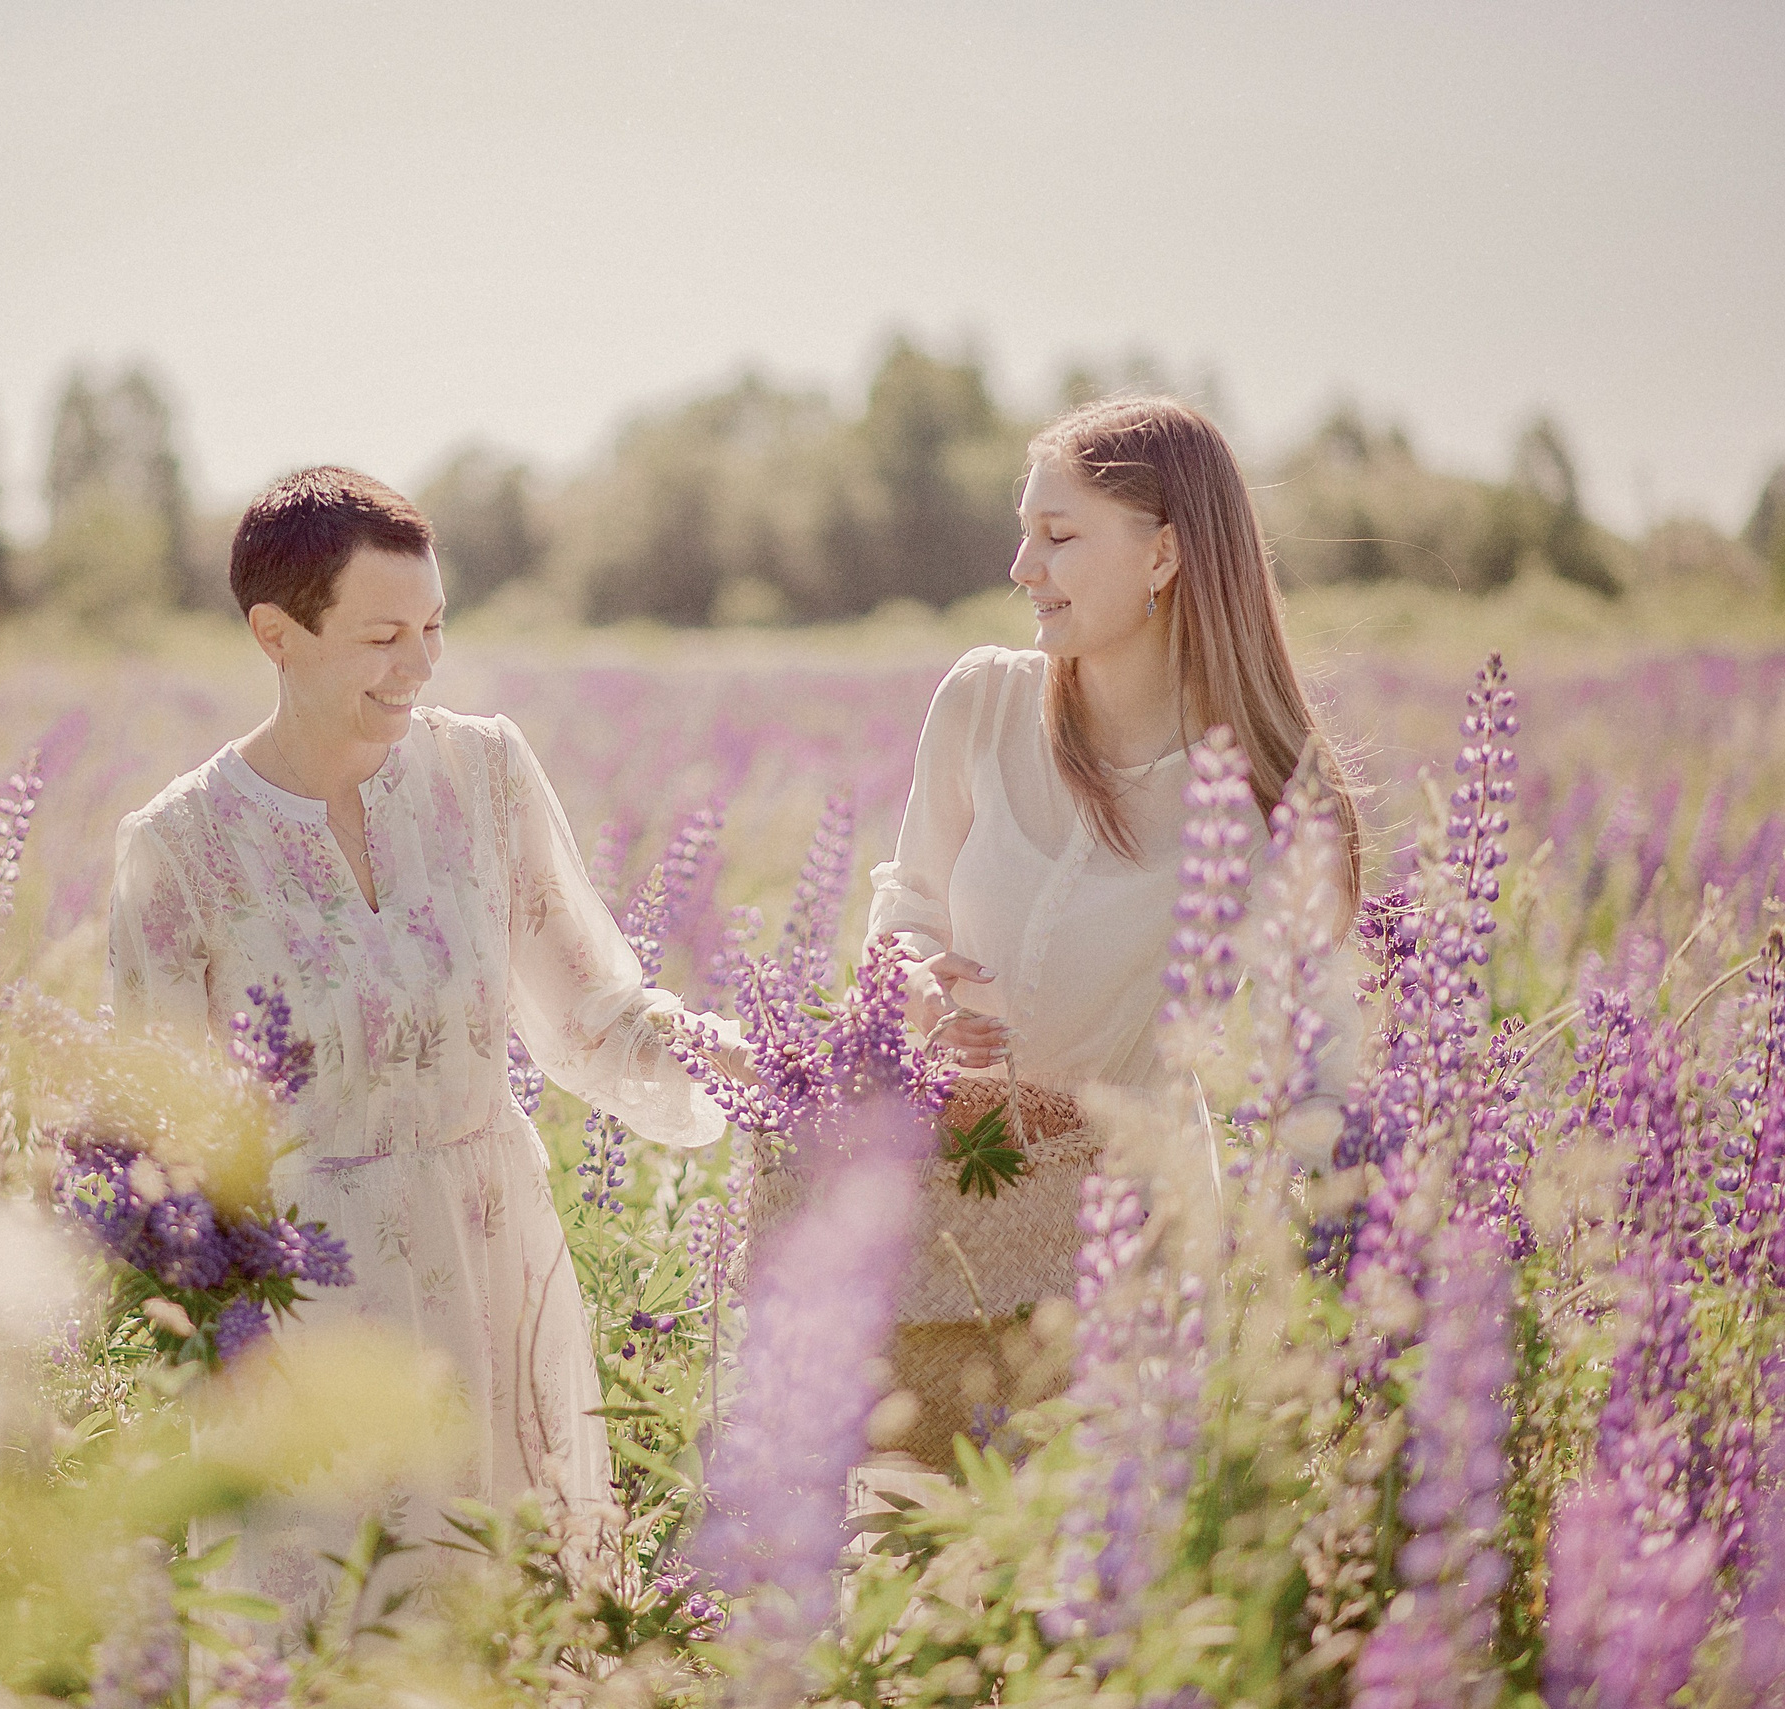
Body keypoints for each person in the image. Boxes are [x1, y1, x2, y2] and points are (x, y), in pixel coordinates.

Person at [105, 466, 733, 1613]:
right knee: (341, 1627)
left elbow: (594, 1011)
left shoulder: (482, 770)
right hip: (311, 1308)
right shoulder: (179, 847)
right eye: (384, 635)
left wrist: (770, 1062)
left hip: (495, 1258)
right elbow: (163, 1143)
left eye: (435, 625)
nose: (423, 663)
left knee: (509, 1616)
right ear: (276, 635)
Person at [867, 395, 1362, 1461]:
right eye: (1024, 532)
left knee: (1087, 1537)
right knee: (916, 1525)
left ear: (1163, 554)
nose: (1021, 566)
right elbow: (906, 903)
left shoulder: (1265, 796)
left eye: (1057, 536)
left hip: (1133, 1244)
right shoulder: (983, 704)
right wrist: (905, 976)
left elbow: (1321, 1069)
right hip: (947, 1205)